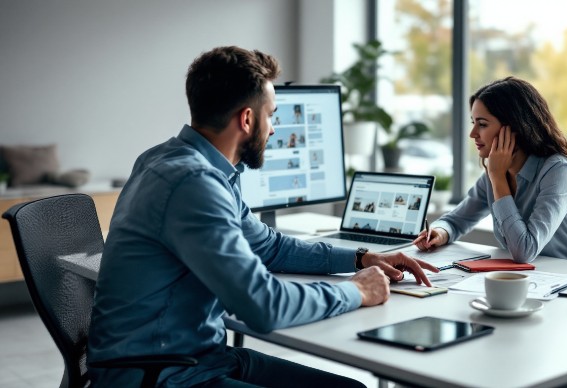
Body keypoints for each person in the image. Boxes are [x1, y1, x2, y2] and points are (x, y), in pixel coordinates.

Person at [87, 46, 439, 387]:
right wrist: (356, 292)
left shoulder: (179, 162)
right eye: (271, 114)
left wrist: (360, 257)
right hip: (159, 374)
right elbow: (263, 305)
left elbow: (268, 246)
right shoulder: (193, 184)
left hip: (198, 357)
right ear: (247, 118)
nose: (273, 129)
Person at [414, 76, 567, 265]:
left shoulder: (559, 172)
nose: (473, 134)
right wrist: (439, 232)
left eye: (482, 124)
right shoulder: (494, 173)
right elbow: (455, 221)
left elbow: (524, 251)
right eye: (473, 123)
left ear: (514, 128)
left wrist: (498, 178)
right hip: (536, 279)